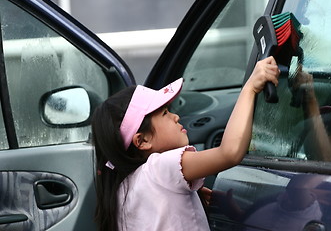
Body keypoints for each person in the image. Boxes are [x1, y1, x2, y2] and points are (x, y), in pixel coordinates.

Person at [91, 56, 280, 231]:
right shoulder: (159, 168)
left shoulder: (123, 191)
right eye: (165, 113)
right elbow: (230, 152)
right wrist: (250, 88)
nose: (176, 116)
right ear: (142, 140)